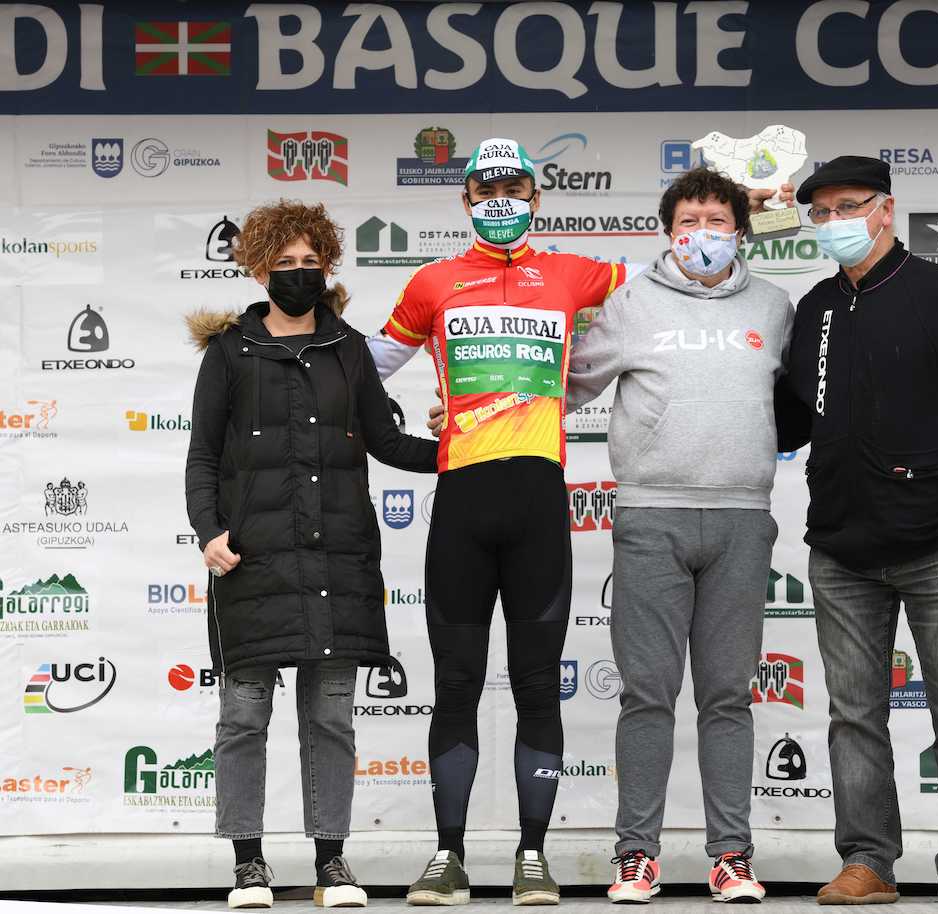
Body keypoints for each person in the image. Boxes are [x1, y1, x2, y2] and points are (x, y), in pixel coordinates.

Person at [366, 138, 634, 907]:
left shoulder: (572, 273)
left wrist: (754, 215)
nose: (500, 200)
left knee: (537, 687)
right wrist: (406, 438)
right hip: (461, 503)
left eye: (513, 187)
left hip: (538, 505)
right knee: (454, 684)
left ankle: (531, 856)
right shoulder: (433, 282)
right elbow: (358, 371)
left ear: (536, 197)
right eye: (485, 190)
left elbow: (669, 282)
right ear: (464, 201)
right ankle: (447, 856)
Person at [768, 157, 938, 906]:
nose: (834, 223)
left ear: (885, 210)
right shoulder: (815, 307)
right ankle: (867, 862)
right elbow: (791, 421)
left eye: (848, 206)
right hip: (841, 550)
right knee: (853, 717)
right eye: (821, 212)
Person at [185, 199, 438, 910]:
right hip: (252, 562)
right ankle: (248, 865)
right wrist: (209, 531)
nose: (299, 274)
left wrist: (466, 450)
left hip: (337, 562)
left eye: (310, 262)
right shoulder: (229, 352)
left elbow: (388, 442)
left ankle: (332, 863)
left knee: (330, 718)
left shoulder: (349, 349)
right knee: (243, 716)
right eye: (285, 263)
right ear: (259, 270)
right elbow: (203, 456)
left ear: (326, 267)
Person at [564, 166, 793, 904]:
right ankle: (636, 855)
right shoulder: (631, 301)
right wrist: (477, 405)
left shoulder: (774, 306)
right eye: (688, 221)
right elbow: (564, 384)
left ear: (740, 231)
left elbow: (806, 399)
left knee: (727, 697)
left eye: (717, 221)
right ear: (667, 232)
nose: (701, 234)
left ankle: (731, 857)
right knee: (647, 695)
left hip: (741, 519)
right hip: (650, 516)